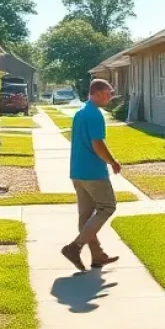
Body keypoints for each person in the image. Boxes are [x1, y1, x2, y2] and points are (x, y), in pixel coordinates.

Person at [61, 79, 122, 272]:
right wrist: (112, 161)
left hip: (78, 172)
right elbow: (97, 144)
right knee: (107, 206)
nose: (111, 96)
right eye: (109, 92)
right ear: (97, 92)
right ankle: (75, 247)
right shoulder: (95, 114)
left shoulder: (80, 112)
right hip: (93, 173)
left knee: (86, 215)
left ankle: (97, 256)